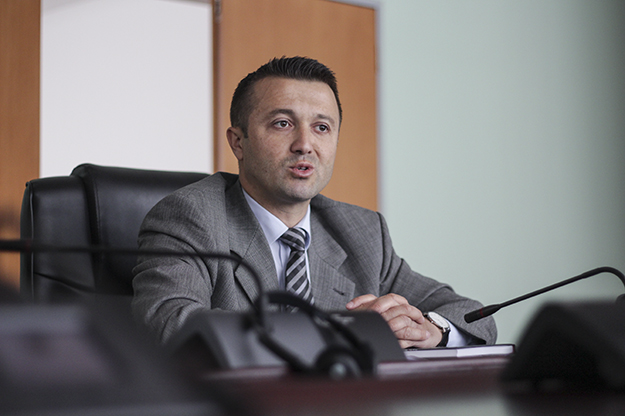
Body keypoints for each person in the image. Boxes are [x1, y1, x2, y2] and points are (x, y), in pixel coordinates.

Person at [132, 56, 497, 348]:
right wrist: (337, 331)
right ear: (238, 142)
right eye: (282, 123)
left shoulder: (361, 232)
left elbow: (472, 315)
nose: (305, 144)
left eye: (322, 127)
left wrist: (430, 329)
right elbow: (170, 325)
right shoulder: (190, 217)